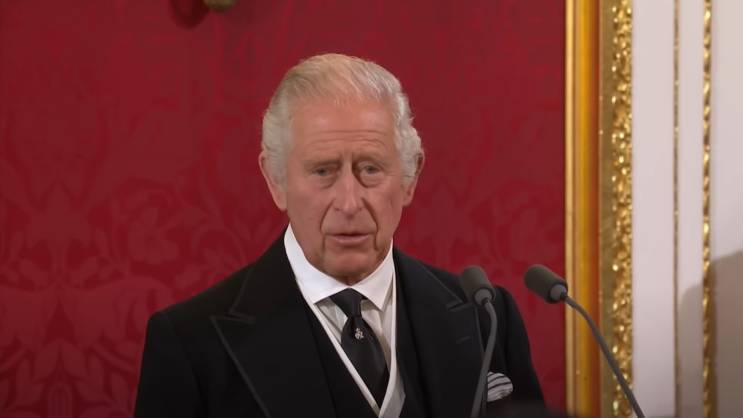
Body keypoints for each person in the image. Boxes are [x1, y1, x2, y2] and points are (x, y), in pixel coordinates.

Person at [133, 53, 544, 418]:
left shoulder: (488, 318)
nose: (349, 202)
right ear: (276, 179)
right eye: (323, 171)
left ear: (410, 177)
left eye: (370, 169)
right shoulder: (191, 344)